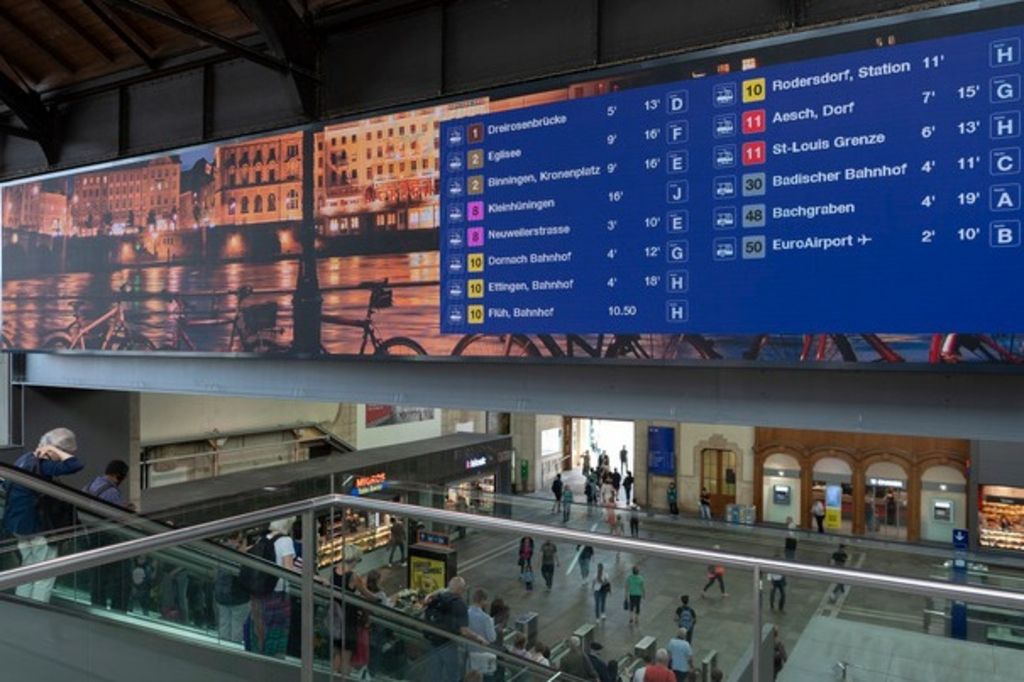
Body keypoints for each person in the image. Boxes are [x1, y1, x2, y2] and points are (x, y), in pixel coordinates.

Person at [3, 428, 83, 603]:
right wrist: (55, 450)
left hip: (18, 527)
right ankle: (39, 612)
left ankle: (24, 609)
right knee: (45, 574)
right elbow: (75, 465)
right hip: (37, 529)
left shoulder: (24, 459)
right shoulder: (43, 465)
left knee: (27, 570)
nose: (64, 455)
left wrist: (51, 448)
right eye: (64, 451)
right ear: (52, 449)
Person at [83, 458, 131, 611]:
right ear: (119, 475)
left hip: (89, 538)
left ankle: (97, 607)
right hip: (106, 539)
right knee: (120, 578)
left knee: (97, 577)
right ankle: (118, 610)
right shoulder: (111, 492)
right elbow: (117, 519)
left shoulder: (91, 484)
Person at [248, 516, 297, 657]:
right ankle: (274, 662)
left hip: (260, 591)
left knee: (260, 628)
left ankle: (259, 657)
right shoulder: (286, 541)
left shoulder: (262, 539)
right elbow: (289, 571)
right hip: (279, 594)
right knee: (278, 632)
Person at [425, 576, 489, 682]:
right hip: (448, 643)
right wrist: (479, 638)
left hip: (433, 641)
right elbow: (464, 630)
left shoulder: (437, 598)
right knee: (453, 675)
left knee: (435, 674)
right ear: (461, 590)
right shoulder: (459, 604)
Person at [214, 532, 251, 643]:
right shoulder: (239, 554)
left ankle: (223, 651)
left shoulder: (217, 549)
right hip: (238, 595)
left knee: (224, 624)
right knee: (238, 627)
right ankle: (234, 652)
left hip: (220, 594)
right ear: (239, 539)